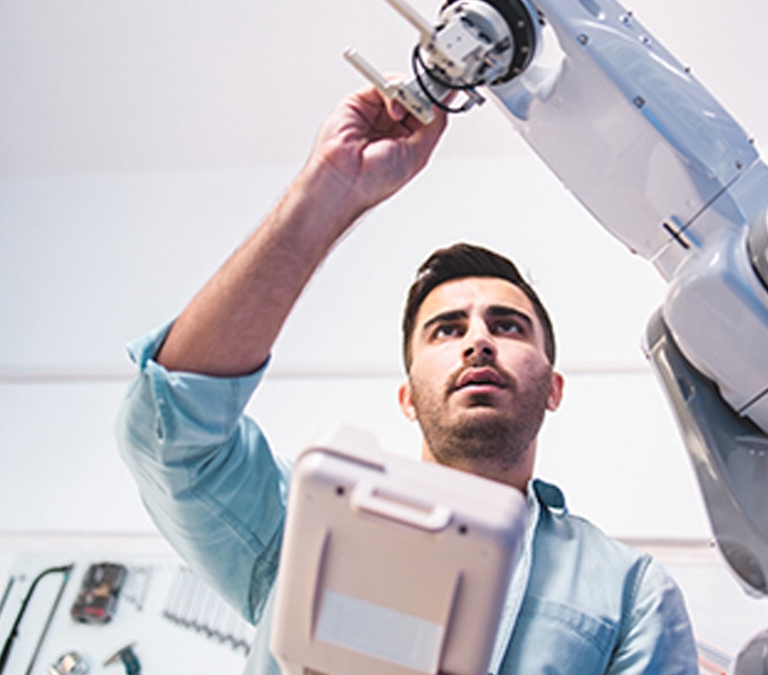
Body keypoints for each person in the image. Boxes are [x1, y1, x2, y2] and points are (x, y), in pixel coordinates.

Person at [115, 85, 699, 674]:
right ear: (408, 399)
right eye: (446, 330)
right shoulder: (304, 520)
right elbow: (170, 428)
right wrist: (329, 192)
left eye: (509, 326)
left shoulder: (630, 593)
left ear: (553, 388)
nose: (479, 341)